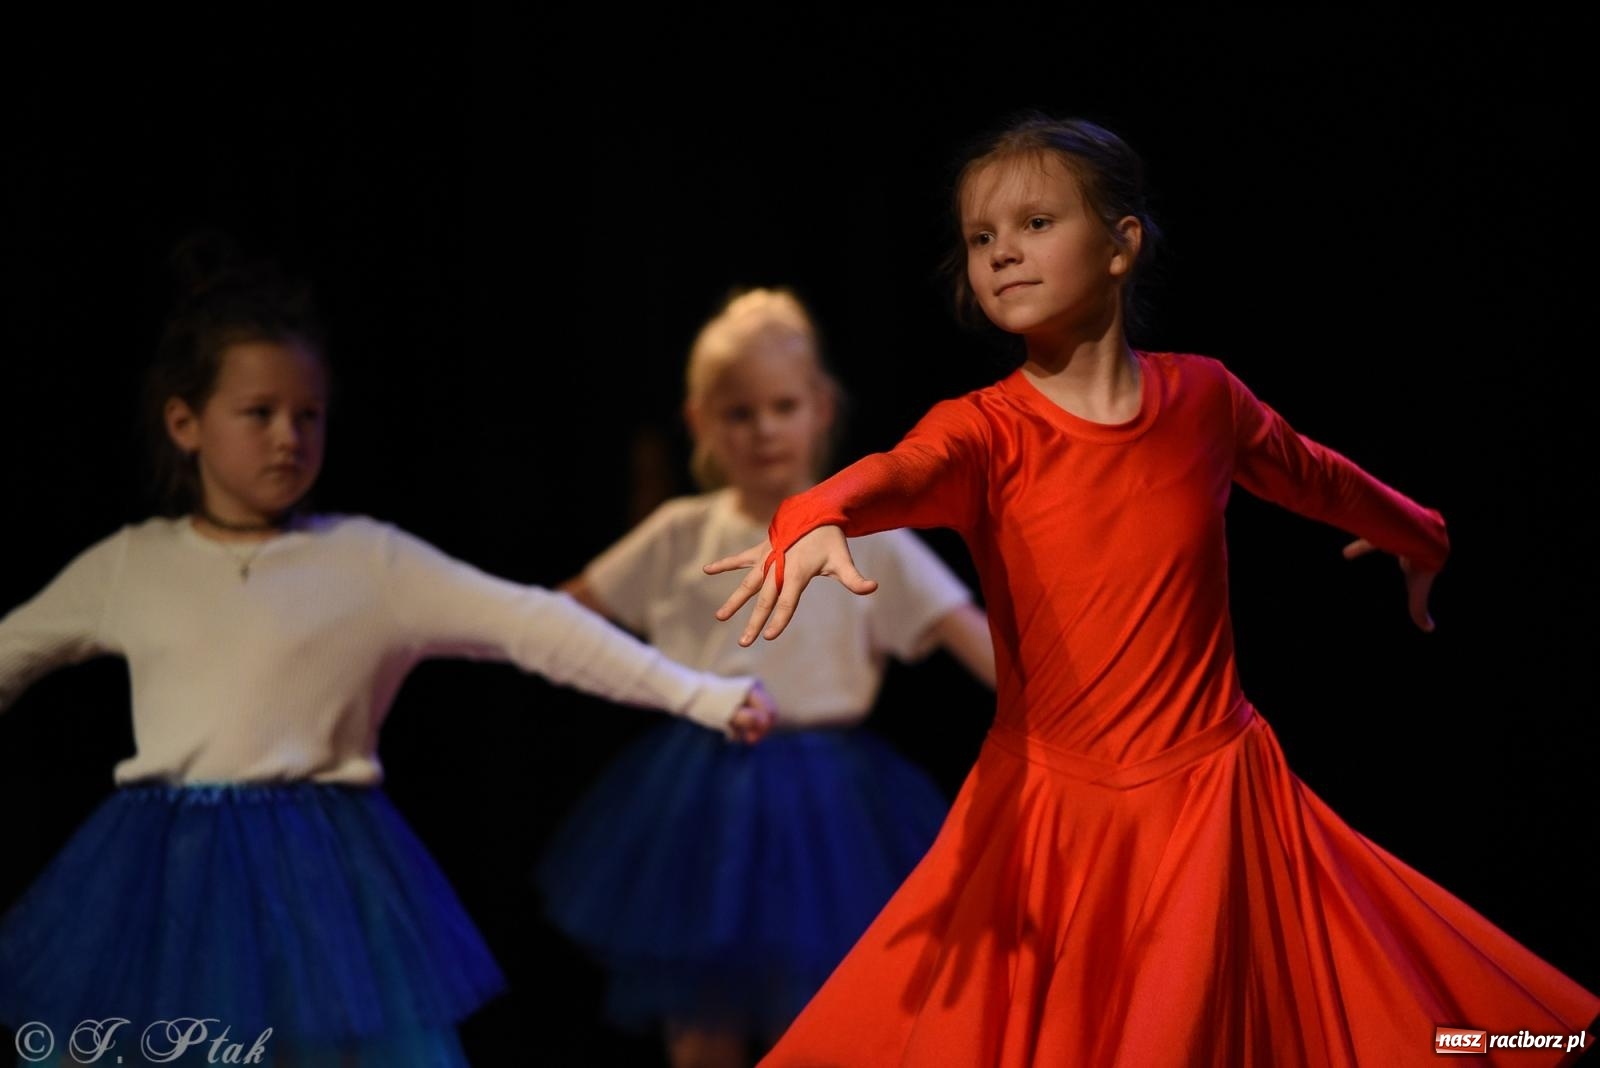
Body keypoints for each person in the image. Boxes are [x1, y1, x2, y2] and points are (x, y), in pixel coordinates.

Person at [706, 116, 1599, 1066]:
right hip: (1053, 815)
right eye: (980, 238)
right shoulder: (984, 432)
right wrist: (811, 515)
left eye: (1037, 223)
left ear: (1123, 244)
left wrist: (1420, 536)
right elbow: (892, 471)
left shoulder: (1204, 401)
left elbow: (1317, 476)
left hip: (1213, 799)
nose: (1003, 252)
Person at [0, 240, 773, 1068]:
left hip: (325, 879)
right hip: (175, 880)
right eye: (258, 413)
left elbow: (534, 624)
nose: (287, 438)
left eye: (309, 415)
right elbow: (12, 651)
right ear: (185, 423)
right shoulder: (135, 564)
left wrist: (700, 693)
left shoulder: (369, 563)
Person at [538, 288, 995, 1068]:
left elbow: (978, 642)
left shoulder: (865, 534)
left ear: (821, 408)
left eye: (783, 406)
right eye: (739, 413)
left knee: (822, 1021)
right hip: (702, 798)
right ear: (701, 423)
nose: (764, 429)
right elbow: (552, 620)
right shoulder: (683, 534)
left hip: (831, 805)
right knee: (701, 1022)